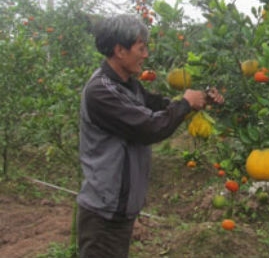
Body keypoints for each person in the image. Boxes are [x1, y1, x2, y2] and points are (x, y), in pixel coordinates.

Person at [76, 14, 223, 258]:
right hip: (103, 215)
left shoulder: (128, 85)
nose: (146, 55)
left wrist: (200, 100)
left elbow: (159, 106)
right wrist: (185, 104)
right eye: (141, 48)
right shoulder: (101, 91)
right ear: (120, 50)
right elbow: (149, 128)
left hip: (119, 210)